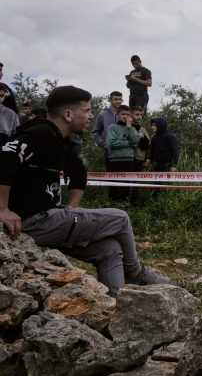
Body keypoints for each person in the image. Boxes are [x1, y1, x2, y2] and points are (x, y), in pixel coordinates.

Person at [0, 85, 168, 296]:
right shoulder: (41, 132)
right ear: (68, 114)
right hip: (33, 221)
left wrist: (71, 209)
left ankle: (115, 303)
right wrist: (3, 209)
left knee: (110, 249)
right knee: (120, 218)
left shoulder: (60, 139)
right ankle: (135, 271)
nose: (91, 116)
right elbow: (5, 158)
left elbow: (79, 173)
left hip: (51, 219)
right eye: (87, 110)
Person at [105, 106, 139, 202]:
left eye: (128, 114)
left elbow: (136, 140)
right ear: (117, 115)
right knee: (114, 184)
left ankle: (124, 205)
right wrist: (129, 144)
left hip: (129, 159)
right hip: (115, 159)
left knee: (126, 184)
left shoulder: (132, 128)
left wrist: (129, 127)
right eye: (123, 114)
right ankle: (113, 204)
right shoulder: (112, 127)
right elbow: (112, 143)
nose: (125, 116)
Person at [91, 91, 123, 168]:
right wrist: (104, 144)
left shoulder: (126, 114)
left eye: (120, 99)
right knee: (112, 175)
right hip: (110, 154)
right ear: (110, 100)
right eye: (116, 99)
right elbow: (95, 132)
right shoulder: (103, 115)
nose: (118, 101)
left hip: (126, 154)